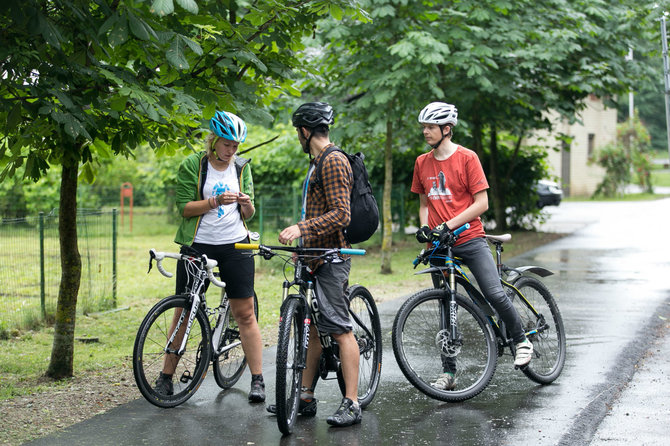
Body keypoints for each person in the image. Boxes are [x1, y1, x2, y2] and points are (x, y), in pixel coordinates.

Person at [411, 101, 534, 390]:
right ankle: (449, 373)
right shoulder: (421, 162)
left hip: (469, 238)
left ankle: (521, 340)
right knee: (445, 304)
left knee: (493, 292)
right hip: (440, 245)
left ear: (447, 129)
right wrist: (428, 231)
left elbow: (482, 203)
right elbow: (424, 204)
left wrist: (448, 225)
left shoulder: (467, 158)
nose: (425, 131)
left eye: (430, 127)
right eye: (424, 127)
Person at [154, 110, 266, 403]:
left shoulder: (242, 168)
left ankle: (258, 380)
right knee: (184, 310)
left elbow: (250, 214)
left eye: (236, 145)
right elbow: (184, 208)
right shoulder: (194, 165)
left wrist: (245, 204)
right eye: (227, 144)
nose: (232, 150)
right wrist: (214, 201)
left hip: (235, 246)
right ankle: (165, 378)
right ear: (214, 140)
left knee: (245, 313)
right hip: (198, 246)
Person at [268, 101, 361, 427]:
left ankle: (352, 402)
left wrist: (301, 229)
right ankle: (305, 395)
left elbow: (341, 214)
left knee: (338, 328)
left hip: (332, 258)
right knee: (311, 328)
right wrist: (303, 245)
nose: (298, 136)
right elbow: (319, 211)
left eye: (298, 132)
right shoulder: (318, 161)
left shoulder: (333, 161)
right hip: (313, 255)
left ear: (305, 131)